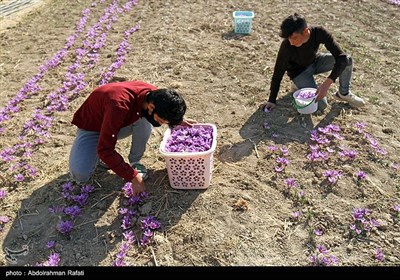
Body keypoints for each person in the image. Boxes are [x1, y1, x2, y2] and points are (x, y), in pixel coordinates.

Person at [69, 80, 195, 195]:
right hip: (93, 128)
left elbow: (162, 111)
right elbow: (105, 150)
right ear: (152, 107)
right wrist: (133, 177)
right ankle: (95, 153)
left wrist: (177, 121)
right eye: (163, 120)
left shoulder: (154, 97)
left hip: (118, 121)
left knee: (144, 118)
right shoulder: (119, 105)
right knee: (80, 174)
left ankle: (135, 161)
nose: (163, 124)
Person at [261, 13, 365, 112]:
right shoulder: (287, 46)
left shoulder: (319, 32)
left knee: (348, 60)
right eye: (288, 39)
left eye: (294, 38)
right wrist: (272, 100)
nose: (291, 42)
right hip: (299, 73)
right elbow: (278, 72)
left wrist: (327, 83)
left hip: (315, 61)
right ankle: (297, 84)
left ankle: (343, 93)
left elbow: (342, 58)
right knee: (321, 105)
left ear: (305, 31)